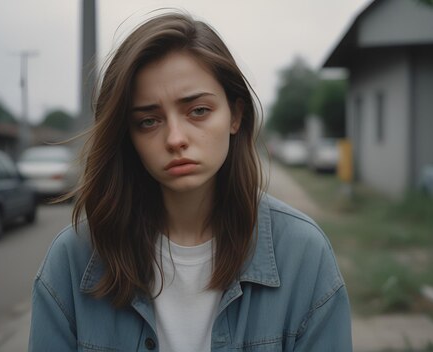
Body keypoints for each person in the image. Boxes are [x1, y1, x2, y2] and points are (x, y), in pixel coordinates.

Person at [29, 11, 352, 352]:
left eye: (198, 111)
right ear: (127, 136)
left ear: (235, 115)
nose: (175, 138)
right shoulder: (72, 260)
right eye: (149, 121)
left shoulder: (303, 253)